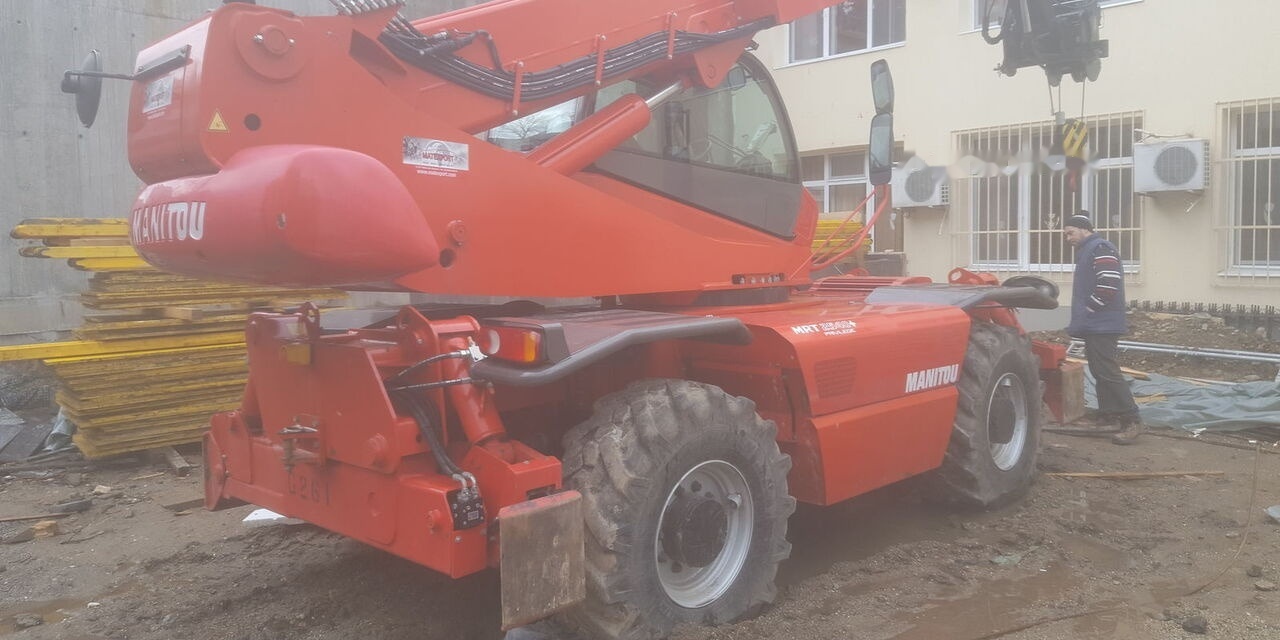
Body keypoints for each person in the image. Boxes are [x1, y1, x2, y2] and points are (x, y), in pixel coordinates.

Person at [1063, 212, 1144, 444]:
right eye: (1066, 234)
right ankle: (1109, 416)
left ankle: (1132, 420)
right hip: (1096, 323)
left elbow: (1108, 282)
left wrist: (1090, 308)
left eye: (1070, 232)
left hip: (1103, 323)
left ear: (1084, 229)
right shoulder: (1089, 249)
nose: (1068, 238)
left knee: (1107, 371)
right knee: (1099, 371)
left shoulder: (1100, 247)